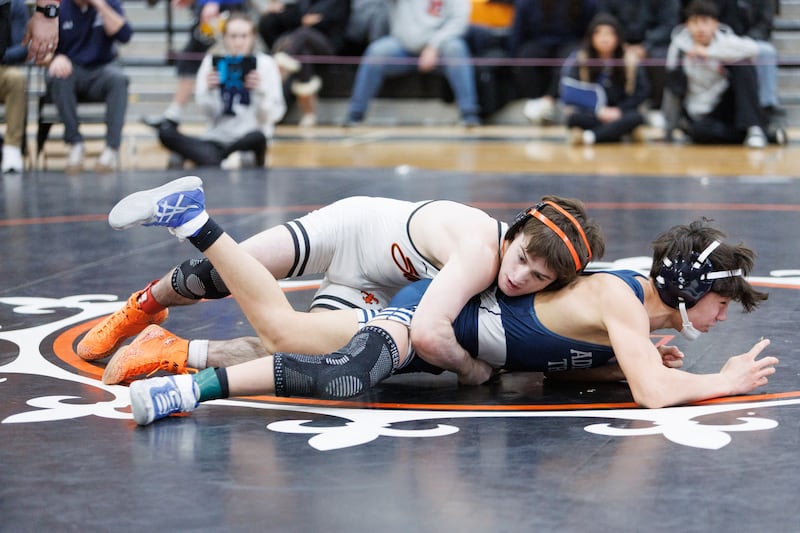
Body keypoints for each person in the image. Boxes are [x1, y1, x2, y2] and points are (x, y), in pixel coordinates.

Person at [105, 177, 776, 425]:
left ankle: (178, 356)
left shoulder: (618, 309)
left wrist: (622, 367)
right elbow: (655, 396)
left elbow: (586, 368)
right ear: (690, 289)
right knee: (312, 347)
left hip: (428, 303)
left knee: (315, 346)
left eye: (542, 275)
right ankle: (194, 225)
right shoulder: (613, 296)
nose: (722, 318)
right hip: (405, 285)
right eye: (725, 301)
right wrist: (723, 380)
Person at [80, 185, 603, 385]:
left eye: (538, 277)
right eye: (521, 259)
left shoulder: (523, 269)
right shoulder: (479, 256)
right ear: (511, 234)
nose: (519, 278)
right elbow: (428, 330)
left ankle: (172, 350)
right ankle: (140, 308)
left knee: (292, 346)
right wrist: (472, 369)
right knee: (222, 272)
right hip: (355, 230)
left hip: (376, 289)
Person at [154, 12, 285, 169]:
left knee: (257, 138)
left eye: (244, 36)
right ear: (225, 37)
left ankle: (207, 157)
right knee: (166, 133)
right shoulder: (211, 62)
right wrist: (210, 91)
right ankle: (226, 159)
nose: (238, 42)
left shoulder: (266, 64)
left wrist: (259, 91)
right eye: (233, 36)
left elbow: (273, 116)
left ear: (252, 37)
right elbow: (207, 114)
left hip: (249, 138)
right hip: (216, 138)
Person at [342, 0, 482, 128]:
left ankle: (469, 114)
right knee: (376, 52)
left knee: (456, 49)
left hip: (440, 50)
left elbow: (459, 20)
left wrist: (434, 46)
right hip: (403, 47)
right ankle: (355, 114)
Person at [663, 0, 783, 148]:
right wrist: (669, 130)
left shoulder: (725, 39)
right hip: (700, 109)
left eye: (705, 22)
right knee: (700, 132)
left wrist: (710, 53)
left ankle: (754, 128)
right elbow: (673, 90)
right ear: (687, 25)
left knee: (742, 65)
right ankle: (759, 135)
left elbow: (756, 49)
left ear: (715, 24)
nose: (700, 28)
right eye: (695, 22)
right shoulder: (678, 48)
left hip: (724, 102)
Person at [142, 0, 248, 147]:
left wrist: (213, 2)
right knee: (194, 61)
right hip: (212, 14)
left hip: (228, 12)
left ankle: (239, 123)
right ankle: (174, 115)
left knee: (236, 61)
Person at [46, 0, 132, 174]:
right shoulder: (60, 7)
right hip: (71, 68)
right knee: (58, 75)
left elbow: (125, 35)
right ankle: (75, 144)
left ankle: (111, 150)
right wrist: (54, 58)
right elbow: (40, 50)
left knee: (119, 79)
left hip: (101, 70)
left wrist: (100, 6)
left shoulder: (108, 4)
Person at [560, 13, 649, 145]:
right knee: (573, 119)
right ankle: (616, 132)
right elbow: (570, 91)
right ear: (591, 37)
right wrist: (598, 111)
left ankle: (589, 137)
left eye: (609, 34)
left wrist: (619, 110)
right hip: (593, 114)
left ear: (617, 37)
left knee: (636, 118)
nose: (604, 39)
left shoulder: (629, 60)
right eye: (599, 34)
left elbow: (642, 91)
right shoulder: (580, 59)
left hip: (620, 112)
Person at [511, 0, 597, 125]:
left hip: (570, 42)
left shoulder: (585, 3)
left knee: (567, 60)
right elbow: (518, 33)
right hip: (538, 42)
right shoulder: (527, 3)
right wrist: (511, 58)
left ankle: (550, 100)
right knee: (525, 58)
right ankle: (535, 101)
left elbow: (589, 29)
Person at [266, 0, 350, 127]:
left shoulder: (338, 3)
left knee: (303, 33)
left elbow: (325, 19)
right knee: (304, 53)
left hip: (330, 48)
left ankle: (283, 62)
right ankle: (309, 114)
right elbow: (298, 16)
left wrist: (306, 19)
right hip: (305, 48)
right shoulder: (305, 2)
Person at [596, 0, 679, 117]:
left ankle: (656, 108)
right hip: (617, 41)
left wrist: (645, 46)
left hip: (653, 44)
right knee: (603, 51)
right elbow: (603, 19)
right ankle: (608, 107)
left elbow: (668, 25)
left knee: (659, 59)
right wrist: (620, 43)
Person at [0, 0, 29, 174]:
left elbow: (22, 46)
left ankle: (12, 149)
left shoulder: (16, 5)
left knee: (16, 79)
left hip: (3, 66)